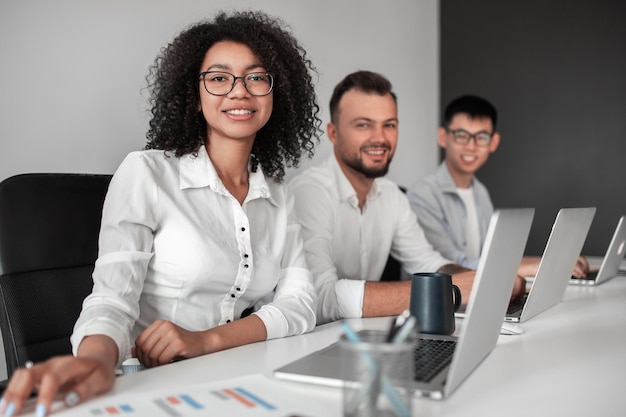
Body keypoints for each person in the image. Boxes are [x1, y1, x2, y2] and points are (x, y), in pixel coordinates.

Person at [0, 10, 322, 417]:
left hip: (237, 380)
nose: (240, 91)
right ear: (195, 92)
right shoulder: (146, 173)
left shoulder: (279, 193)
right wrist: (94, 362)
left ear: (277, 91)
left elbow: (300, 304)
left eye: (257, 77)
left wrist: (208, 340)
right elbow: (111, 300)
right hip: (152, 388)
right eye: (219, 78)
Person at [288, 71, 515, 325]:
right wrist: (446, 290)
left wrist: (482, 279)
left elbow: (428, 263)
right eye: (363, 125)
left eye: (389, 125)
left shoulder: (392, 197)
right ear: (333, 133)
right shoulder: (309, 192)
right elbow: (319, 298)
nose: (380, 138)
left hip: (361, 338)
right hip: (300, 345)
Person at [405, 95, 589, 277]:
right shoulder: (422, 196)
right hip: (443, 300)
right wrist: (542, 265)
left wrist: (555, 259)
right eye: (462, 136)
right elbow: (452, 268)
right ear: (443, 137)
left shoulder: (480, 192)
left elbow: (490, 259)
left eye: (482, 137)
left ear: (493, 142)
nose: (471, 146)